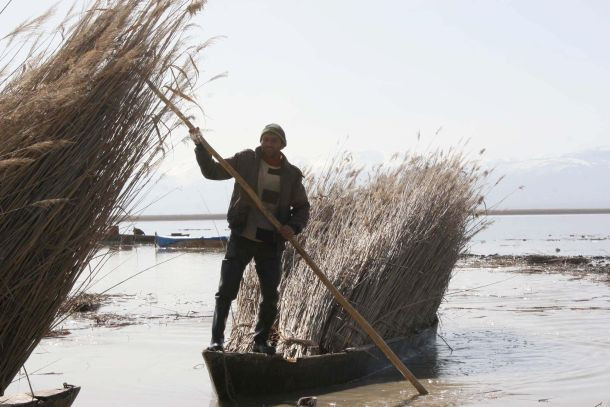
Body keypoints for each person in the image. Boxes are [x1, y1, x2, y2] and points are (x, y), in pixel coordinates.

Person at [193, 123, 310, 355]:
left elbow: (303, 208)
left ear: (281, 145)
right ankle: (217, 341)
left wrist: (292, 227)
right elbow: (212, 172)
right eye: (265, 140)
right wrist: (200, 146)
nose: (268, 144)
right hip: (243, 235)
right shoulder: (245, 160)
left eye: (273, 141)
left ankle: (260, 342)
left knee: (270, 295)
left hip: (271, 241)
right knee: (226, 290)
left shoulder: (291, 175)